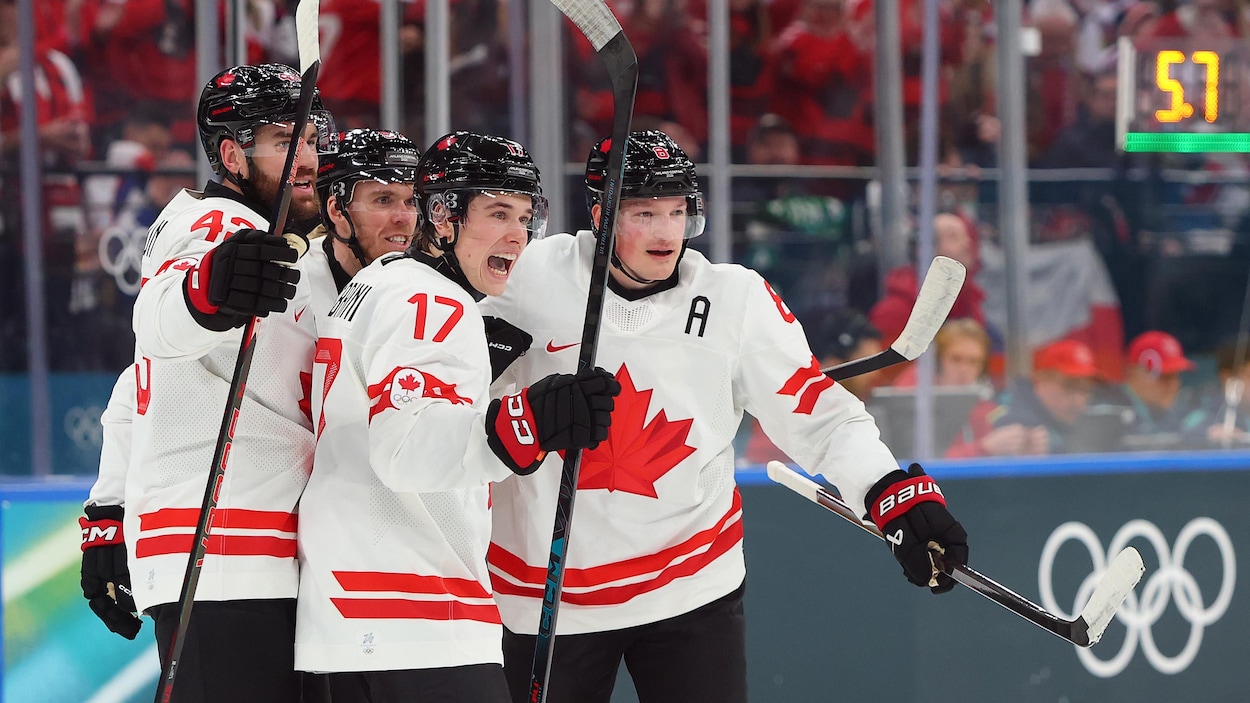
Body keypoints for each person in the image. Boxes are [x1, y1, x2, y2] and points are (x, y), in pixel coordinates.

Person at [480, 130, 969, 703]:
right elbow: (449, 386)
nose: (666, 233)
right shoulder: (525, 276)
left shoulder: (736, 299)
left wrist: (888, 490)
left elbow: (820, 414)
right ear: (599, 214)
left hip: (691, 585)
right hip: (543, 595)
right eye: (644, 213)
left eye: (677, 212)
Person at [293, 131, 620, 702]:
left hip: (352, 612)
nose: (517, 235)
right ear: (443, 216)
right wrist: (526, 423)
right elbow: (404, 451)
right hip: (414, 616)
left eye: (525, 217)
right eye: (497, 213)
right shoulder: (432, 300)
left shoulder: (377, 280)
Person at [77, 63, 333, 703]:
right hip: (227, 556)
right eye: (285, 141)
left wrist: (109, 508)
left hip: (245, 553)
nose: (308, 157)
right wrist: (208, 292)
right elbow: (160, 322)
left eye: (311, 138)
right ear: (232, 155)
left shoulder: (278, 236)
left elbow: (141, 379)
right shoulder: (221, 228)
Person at [946, 339, 1098, 458]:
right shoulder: (1003, 418)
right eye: (1070, 386)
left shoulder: (1086, 424)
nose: (1079, 400)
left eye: (1085, 390)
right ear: (1041, 379)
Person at [1098, 330, 1197, 438]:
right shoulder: (1107, 412)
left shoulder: (1178, 413)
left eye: (1176, 376)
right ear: (1133, 373)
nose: (1173, 385)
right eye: (1164, 376)